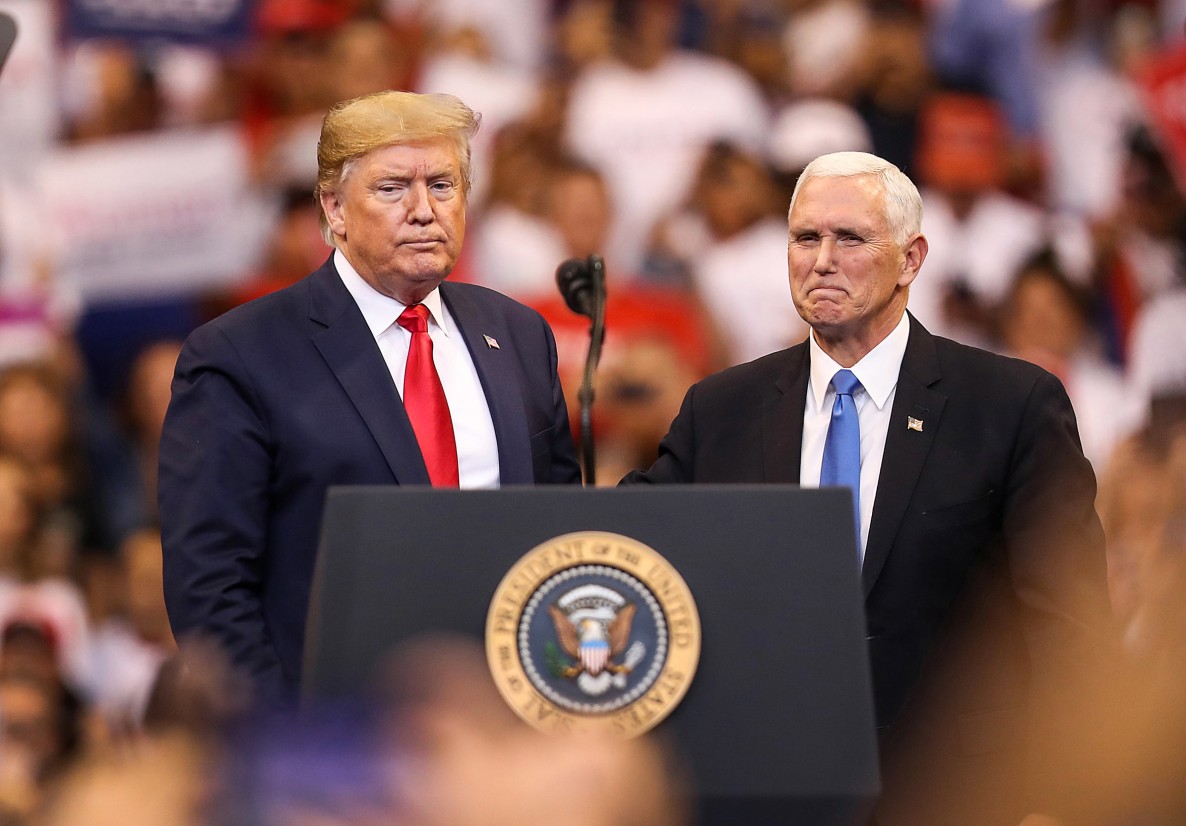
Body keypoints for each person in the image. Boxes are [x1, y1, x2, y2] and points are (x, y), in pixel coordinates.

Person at [623, 151, 1113, 824]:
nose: (821, 259)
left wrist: (1065, 801)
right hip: (770, 792)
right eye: (804, 238)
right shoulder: (723, 409)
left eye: (849, 238)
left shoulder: (1010, 405)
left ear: (911, 260)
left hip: (964, 796)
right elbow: (629, 544)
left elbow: (1073, 628)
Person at [159, 91, 581, 707]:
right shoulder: (239, 354)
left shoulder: (517, 333)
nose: (422, 211)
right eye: (391, 189)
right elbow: (210, 585)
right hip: (334, 743)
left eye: (442, 184)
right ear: (334, 208)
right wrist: (283, 741)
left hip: (506, 725)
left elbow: (558, 531)